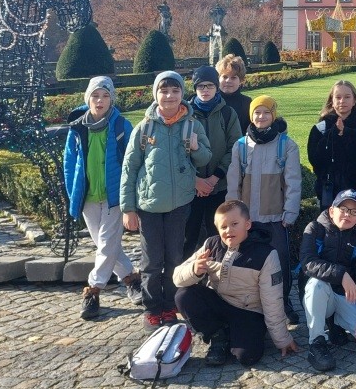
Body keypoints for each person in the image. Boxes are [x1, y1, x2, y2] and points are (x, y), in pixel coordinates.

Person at [122, 70, 211, 331]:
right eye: (164, 91)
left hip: (179, 205)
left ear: (182, 93)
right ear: (156, 94)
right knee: (151, 262)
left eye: (175, 90)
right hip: (148, 206)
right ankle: (152, 309)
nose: (169, 96)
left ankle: (170, 306)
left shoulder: (192, 125)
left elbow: (205, 158)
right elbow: (130, 169)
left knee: (174, 258)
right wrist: (128, 209)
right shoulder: (144, 128)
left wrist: (196, 148)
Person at [173, 200, 298, 367]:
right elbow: (177, 278)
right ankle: (217, 336)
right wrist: (195, 270)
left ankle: (237, 334)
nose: (228, 230)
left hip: (248, 312)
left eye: (234, 224)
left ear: (247, 224)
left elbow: (272, 300)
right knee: (183, 295)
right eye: (223, 227)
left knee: (247, 357)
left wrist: (282, 339)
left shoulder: (266, 254)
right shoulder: (211, 244)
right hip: (219, 304)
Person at [62, 76, 140, 320]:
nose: (100, 100)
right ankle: (131, 279)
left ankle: (93, 290)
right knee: (106, 245)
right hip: (88, 196)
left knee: (106, 243)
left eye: (105, 96)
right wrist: (73, 192)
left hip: (113, 196)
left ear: (111, 99)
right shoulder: (78, 128)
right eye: (95, 96)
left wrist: (130, 196)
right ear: (88, 98)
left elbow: (132, 162)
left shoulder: (121, 125)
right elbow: (69, 162)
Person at [226, 94, 302, 325]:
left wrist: (290, 212)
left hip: (276, 217)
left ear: (273, 115)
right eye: (257, 112)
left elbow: (293, 182)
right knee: (248, 262)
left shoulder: (286, 145)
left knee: (280, 261)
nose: (261, 117)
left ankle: (284, 302)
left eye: (266, 112)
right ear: (251, 116)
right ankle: (251, 303)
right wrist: (232, 215)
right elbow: (234, 183)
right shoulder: (241, 146)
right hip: (247, 218)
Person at [300, 190, 356, 373]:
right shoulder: (315, 228)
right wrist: (342, 274)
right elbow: (308, 263)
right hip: (319, 295)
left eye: (354, 212)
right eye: (343, 209)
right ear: (332, 211)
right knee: (316, 285)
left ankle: (336, 322)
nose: (347, 215)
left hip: (344, 296)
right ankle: (316, 343)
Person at [183, 65, 241, 258]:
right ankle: (184, 272)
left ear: (217, 87)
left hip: (218, 185)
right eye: (201, 86)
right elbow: (178, 151)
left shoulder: (227, 113)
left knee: (217, 234)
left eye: (210, 86)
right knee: (188, 235)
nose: (205, 90)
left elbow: (234, 147)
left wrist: (215, 177)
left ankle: (216, 271)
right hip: (191, 186)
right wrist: (196, 180)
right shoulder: (185, 114)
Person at [307, 80, 356, 208]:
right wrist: (332, 134)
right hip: (328, 192)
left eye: (347, 97)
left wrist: (348, 133)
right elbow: (315, 160)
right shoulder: (320, 129)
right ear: (332, 101)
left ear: (354, 101)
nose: (342, 101)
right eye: (338, 97)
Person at [216, 53, 252, 134]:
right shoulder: (211, 101)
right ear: (218, 78)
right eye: (225, 77)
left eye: (233, 78)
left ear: (241, 81)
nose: (228, 81)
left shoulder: (247, 103)